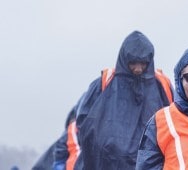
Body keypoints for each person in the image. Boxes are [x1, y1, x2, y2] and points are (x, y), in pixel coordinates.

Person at [52, 30, 174, 170]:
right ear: (124, 59)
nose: (138, 69)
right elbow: (83, 120)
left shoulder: (162, 83)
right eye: (133, 63)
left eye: (143, 63)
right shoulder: (105, 81)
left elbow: (175, 116)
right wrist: (101, 144)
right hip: (107, 161)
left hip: (149, 161)